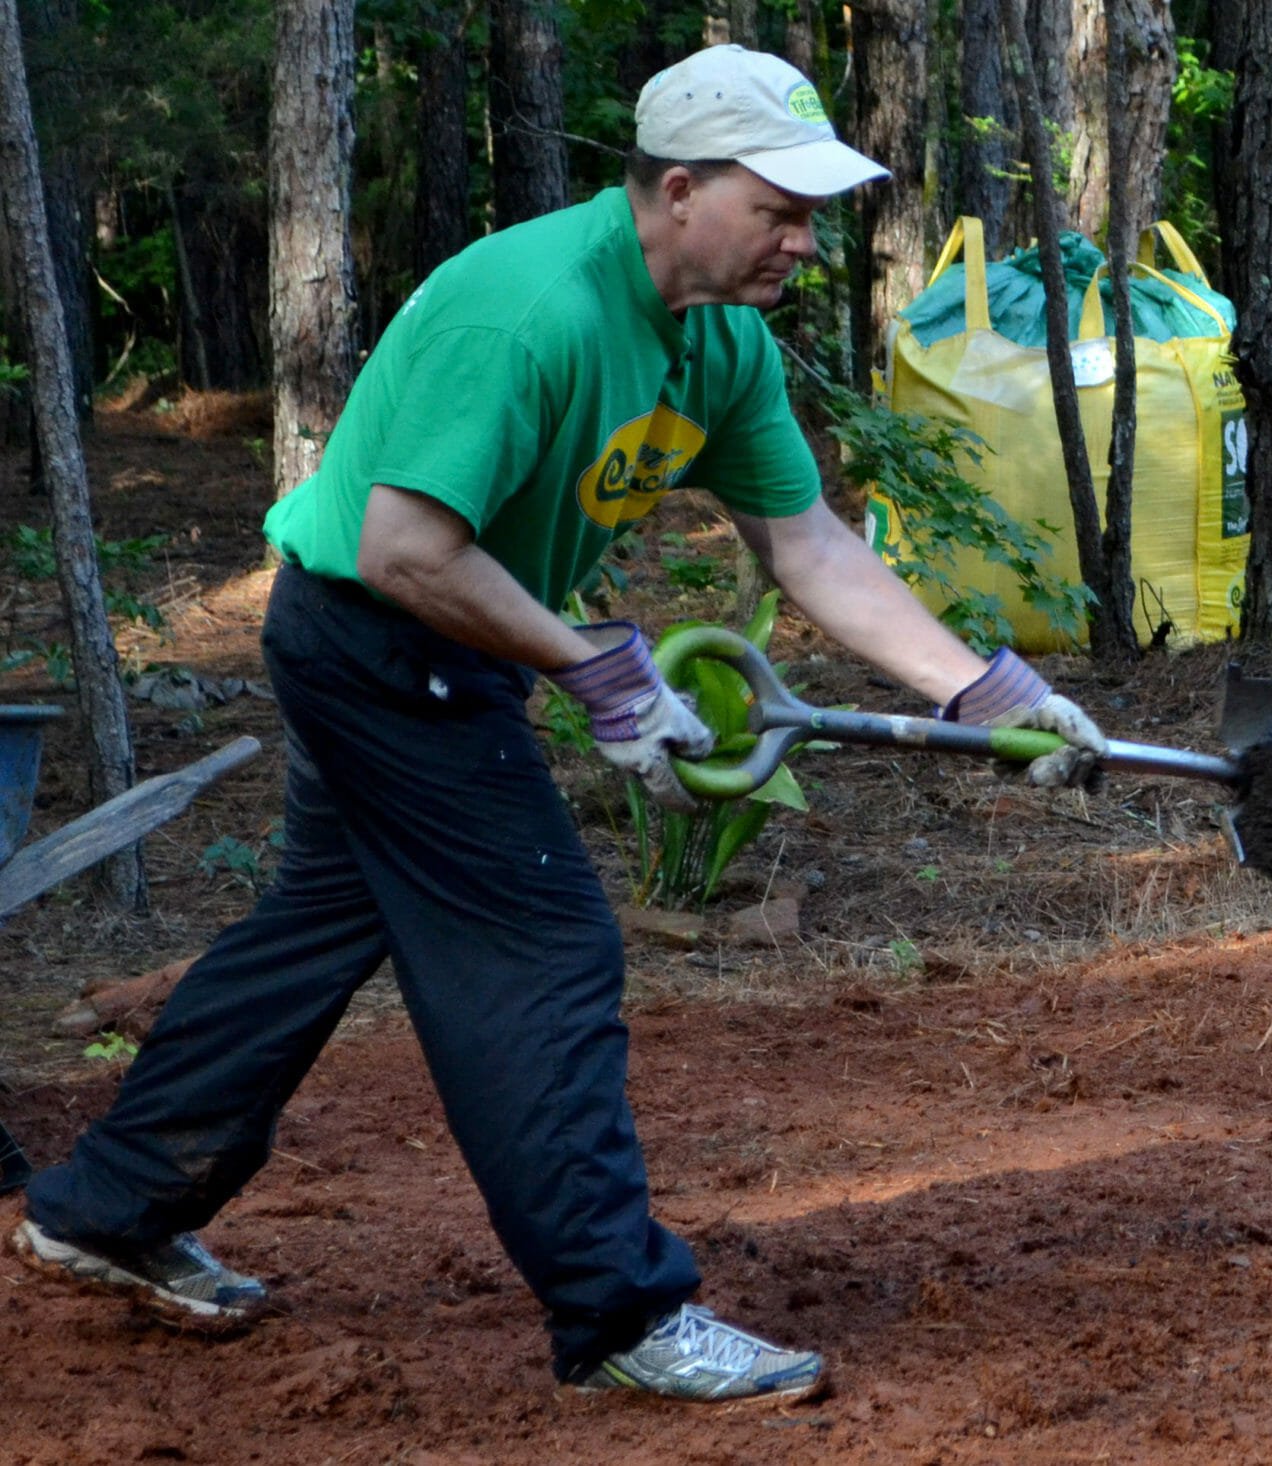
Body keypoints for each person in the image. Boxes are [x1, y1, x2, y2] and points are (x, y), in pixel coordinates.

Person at [7, 45, 1106, 1405]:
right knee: (544, 947)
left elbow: (806, 543)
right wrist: (595, 667)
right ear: (682, 188)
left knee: (310, 936)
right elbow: (405, 545)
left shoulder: (722, 342)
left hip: (445, 645)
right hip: (378, 637)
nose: (804, 242)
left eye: (811, 213)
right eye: (781, 208)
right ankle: (622, 1307)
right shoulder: (526, 312)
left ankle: (105, 1206)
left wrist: (978, 689)